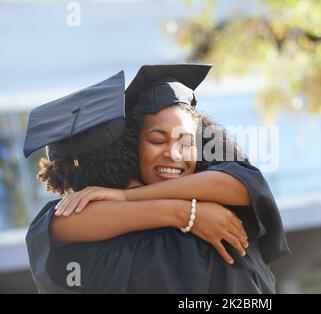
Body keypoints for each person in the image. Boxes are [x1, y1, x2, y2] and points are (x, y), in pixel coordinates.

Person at [25, 65, 290, 293]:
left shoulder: (224, 198)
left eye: (186, 142)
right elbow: (60, 223)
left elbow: (244, 185)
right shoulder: (94, 225)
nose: (173, 154)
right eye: (157, 140)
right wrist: (187, 214)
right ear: (132, 147)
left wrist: (129, 196)